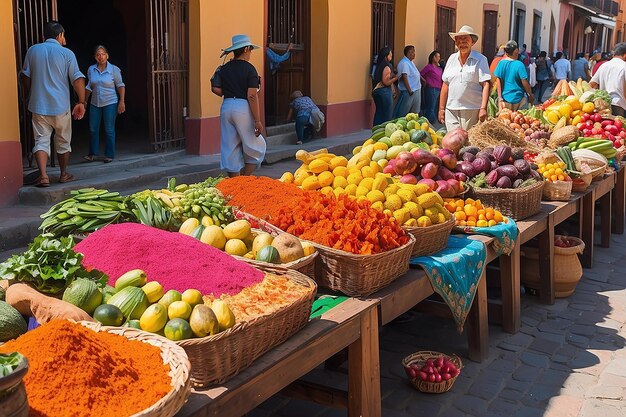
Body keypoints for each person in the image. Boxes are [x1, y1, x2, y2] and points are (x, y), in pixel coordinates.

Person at [20, 21, 85, 187]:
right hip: (61, 107)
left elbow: (25, 76)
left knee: (41, 141)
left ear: (44, 36)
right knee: (63, 141)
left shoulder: (33, 50)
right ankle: (63, 174)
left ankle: (43, 176)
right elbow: (77, 79)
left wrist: (28, 95)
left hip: (38, 105)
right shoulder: (67, 54)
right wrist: (81, 101)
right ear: (60, 35)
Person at [211, 34, 266, 177]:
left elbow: (215, 89)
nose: (251, 53)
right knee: (256, 145)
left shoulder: (224, 68)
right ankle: (245, 179)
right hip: (242, 107)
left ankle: (234, 182)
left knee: (230, 145)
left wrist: (231, 91)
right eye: (251, 50)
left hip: (226, 106)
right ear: (246, 48)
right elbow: (252, 95)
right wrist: (258, 120)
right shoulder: (250, 69)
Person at [438, 25, 491, 132]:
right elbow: (445, 84)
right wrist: (441, 109)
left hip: (472, 109)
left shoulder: (480, 59)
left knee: (468, 143)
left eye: (466, 39)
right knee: (453, 142)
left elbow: (486, 84)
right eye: (459, 40)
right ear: (456, 43)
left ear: (472, 42)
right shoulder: (451, 58)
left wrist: (483, 108)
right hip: (451, 109)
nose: (462, 43)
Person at [83, 45, 125, 163]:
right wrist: (84, 101)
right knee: (92, 128)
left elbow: (120, 85)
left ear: (107, 55)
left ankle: (109, 155)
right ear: (95, 57)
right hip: (94, 103)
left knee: (109, 129)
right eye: (98, 55)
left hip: (110, 102)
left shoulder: (114, 70)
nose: (101, 57)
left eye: (103, 54)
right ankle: (93, 153)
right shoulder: (91, 69)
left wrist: (122, 101)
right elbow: (89, 86)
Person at [493, 40, 534, 111]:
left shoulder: (501, 63)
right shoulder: (519, 64)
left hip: (505, 99)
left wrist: (500, 98)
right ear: (516, 52)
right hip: (519, 99)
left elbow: (498, 80)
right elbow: (524, 82)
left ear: (506, 52)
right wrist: (529, 94)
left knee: (506, 120)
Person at [589, 43, 626, 117]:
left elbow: (591, 84)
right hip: (619, 106)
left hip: (603, 106)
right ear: (625, 55)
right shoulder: (624, 66)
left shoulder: (604, 65)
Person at [371, 46, 398, 126]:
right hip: (384, 91)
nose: (391, 55)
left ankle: (376, 132)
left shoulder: (376, 65)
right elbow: (386, 82)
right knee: (387, 115)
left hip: (376, 91)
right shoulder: (387, 66)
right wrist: (396, 78)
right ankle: (384, 134)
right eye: (390, 54)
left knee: (379, 113)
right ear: (386, 56)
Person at [393, 45, 421, 118]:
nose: (415, 54)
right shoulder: (404, 63)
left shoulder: (411, 62)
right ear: (409, 53)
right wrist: (409, 90)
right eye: (413, 52)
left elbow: (416, 73)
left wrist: (423, 80)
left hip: (416, 88)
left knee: (414, 112)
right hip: (409, 91)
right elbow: (404, 76)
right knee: (403, 111)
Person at [421, 50, 443, 124]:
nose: (439, 58)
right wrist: (425, 81)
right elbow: (420, 74)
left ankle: (429, 122)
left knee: (433, 107)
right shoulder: (429, 67)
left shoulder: (439, 68)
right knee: (431, 107)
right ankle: (429, 123)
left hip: (438, 89)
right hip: (431, 88)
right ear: (433, 57)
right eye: (437, 56)